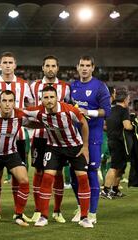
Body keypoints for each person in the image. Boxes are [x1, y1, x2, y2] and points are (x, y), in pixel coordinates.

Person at [26, 86, 93, 228]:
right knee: (47, 177)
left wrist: (85, 147)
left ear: (57, 98)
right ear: (42, 99)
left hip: (75, 146)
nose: (49, 100)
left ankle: (85, 217)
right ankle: (43, 216)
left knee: (83, 178)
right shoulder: (38, 111)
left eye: (51, 97)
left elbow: (84, 123)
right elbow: (17, 111)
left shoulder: (69, 110)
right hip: (54, 147)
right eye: (46, 97)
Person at [0, 52, 33, 223]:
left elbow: (31, 107)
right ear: (0, 65)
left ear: (15, 65)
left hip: (17, 137)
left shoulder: (24, 85)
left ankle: (19, 213)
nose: (8, 65)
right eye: (5, 62)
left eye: (11, 62)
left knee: (21, 178)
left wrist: (21, 113)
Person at [0, 90, 40, 227]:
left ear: (14, 102)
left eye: (10, 101)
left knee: (24, 180)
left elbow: (31, 123)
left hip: (11, 153)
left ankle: (18, 215)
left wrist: (48, 125)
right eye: (4, 101)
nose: (7, 104)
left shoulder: (19, 115)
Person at [29, 55, 71, 223]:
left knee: (58, 172)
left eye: (53, 65)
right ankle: (38, 210)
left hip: (58, 139)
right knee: (39, 172)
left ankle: (57, 210)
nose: (50, 68)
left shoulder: (65, 88)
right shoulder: (33, 86)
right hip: (39, 136)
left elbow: (68, 109)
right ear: (43, 67)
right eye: (47, 65)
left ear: (57, 68)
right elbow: (29, 108)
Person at [70, 55, 111, 224]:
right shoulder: (72, 86)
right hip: (74, 138)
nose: (85, 68)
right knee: (74, 175)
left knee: (91, 173)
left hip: (93, 137)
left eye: (88, 65)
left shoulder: (100, 87)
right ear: (77, 67)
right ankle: (82, 208)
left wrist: (89, 113)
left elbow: (106, 111)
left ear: (93, 67)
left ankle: (92, 213)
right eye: (82, 65)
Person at [101, 88, 133, 199]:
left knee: (121, 166)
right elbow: (127, 126)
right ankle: (105, 190)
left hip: (112, 140)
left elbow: (104, 126)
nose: (128, 101)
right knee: (114, 167)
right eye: (128, 99)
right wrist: (135, 125)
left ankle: (115, 189)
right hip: (119, 142)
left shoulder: (111, 109)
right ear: (124, 100)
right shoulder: (124, 110)